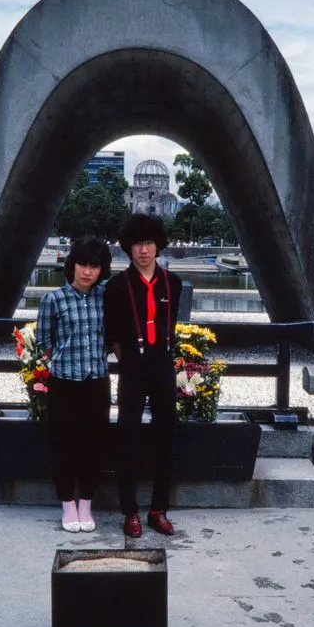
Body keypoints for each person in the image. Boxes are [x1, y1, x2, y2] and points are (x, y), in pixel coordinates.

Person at [104, 213, 182, 537]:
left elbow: (171, 326)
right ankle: (130, 511)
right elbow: (111, 333)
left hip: (162, 364)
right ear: (129, 247)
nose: (144, 250)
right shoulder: (116, 285)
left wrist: (162, 356)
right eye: (138, 243)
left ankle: (158, 509)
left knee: (166, 436)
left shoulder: (172, 283)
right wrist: (128, 360)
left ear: (158, 245)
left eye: (149, 243)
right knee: (128, 436)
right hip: (133, 367)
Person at [36, 236, 112, 533]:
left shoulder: (105, 297)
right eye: (83, 264)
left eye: (94, 266)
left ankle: (86, 504)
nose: (87, 271)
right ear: (72, 265)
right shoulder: (53, 299)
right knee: (64, 444)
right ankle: (67, 504)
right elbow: (45, 343)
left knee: (93, 444)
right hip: (65, 382)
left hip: (97, 381)